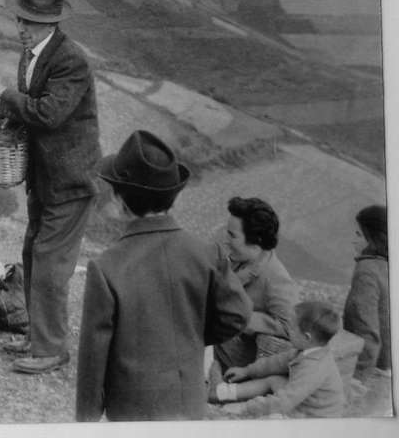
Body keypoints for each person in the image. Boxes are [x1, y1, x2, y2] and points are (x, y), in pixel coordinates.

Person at [75, 130, 252, 421]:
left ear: (120, 199)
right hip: (189, 404)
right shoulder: (207, 252)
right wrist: (191, 335)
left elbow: (93, 361)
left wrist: (86, 421)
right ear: (173, 197)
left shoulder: (106, 267)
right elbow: (238, 314)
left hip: (133, 412)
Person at [0, 0, 101, 374]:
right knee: (33, 253)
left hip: (70, 178)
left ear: (52, 23)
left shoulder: (71, 60)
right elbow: (27, 111)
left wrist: (3, 93)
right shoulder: (32, 52)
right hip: (44, 175)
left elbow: (49, 113)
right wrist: (1, 115)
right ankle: (36, 336)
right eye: (21, 19)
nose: (22, 28)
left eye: (32, 21)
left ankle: (51, 348)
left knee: (50, 261)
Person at [211, 197, 300, 382]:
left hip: (237, 363)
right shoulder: (240, 259)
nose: (226, 241)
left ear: (255, 242)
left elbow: (289, 327)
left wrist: (237, 315)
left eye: (232, 236)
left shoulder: (275, 278)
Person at [214, 300, 345, 418]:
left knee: (274, 413)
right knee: (273, 380)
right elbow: (275, 363)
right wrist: (247, 370)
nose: (288, 331)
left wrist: (248, 408)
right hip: (307, 400)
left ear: (306, 337)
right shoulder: (307, 350)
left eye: (293, 329)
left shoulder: (314, 368)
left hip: (315, 416)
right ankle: (222, 392)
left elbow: (285, 401)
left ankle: (241, 407)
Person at [343, 204, 390, 379]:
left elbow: (367, 333)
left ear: (374, 238)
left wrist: (356, 380)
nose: (353, 240)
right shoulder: (385, 267)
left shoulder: (366, 270)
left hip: (374, 370)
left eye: (358, 234)